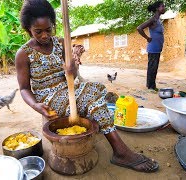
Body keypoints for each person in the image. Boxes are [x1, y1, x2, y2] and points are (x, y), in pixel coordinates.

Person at [15, 0, 158, 173]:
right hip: (48, 98)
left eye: (48, 29)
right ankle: (121, 151)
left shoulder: (61, 43)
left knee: (98, 89)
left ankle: (119, 150)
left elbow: (72, 76)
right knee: (92, 98)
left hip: (68, 90)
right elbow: (24, 88)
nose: (45, 35)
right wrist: (36, 105)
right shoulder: (23, 54)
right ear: (28, 29)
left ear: (53, 26)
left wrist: (71, 68)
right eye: (38, 31)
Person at [137, 1, 166, 91]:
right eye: (162, 6)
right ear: (157, 8)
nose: (164, 8)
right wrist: (147, 38)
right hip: (153, 48)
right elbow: (139, 28)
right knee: (152, 67)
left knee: (154, 67)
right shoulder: (153, 20)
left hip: (157, 48)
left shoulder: (158, 20)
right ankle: (151, 87)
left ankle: (151, 85)